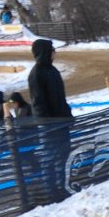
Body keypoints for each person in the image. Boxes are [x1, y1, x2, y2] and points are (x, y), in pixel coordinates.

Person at [28, 38, 73, 202]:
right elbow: (38, 101)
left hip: (61, 120)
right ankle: (50, 190)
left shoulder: (52, 70)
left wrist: (67, 114)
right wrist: (47, 123)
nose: (55, 52)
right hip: (49, 124)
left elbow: (60, 97)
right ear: (45, 52)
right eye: (52, 49)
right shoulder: (36, 73)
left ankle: (61, 187)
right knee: (50, 157)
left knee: (62, 155)